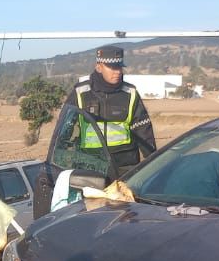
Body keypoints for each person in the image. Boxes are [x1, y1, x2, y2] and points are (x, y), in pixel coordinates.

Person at [61, 45, 156, 178]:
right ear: (99, 67)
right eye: (112, 67)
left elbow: (143, 130)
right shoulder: (80, 93)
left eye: (119, 66)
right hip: (90, 165)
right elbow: (64, 129)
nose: (117, 71)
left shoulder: (131, 93)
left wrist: (154, 163)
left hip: (126, 166)